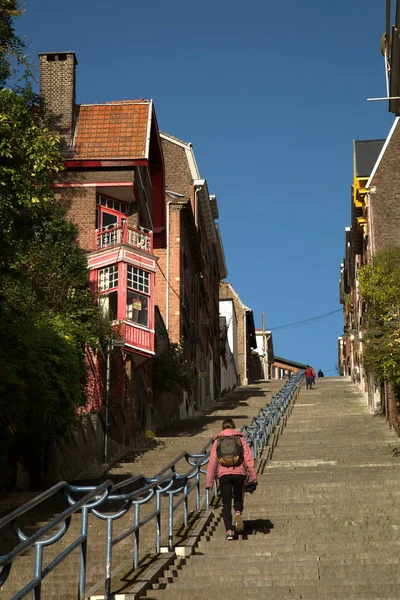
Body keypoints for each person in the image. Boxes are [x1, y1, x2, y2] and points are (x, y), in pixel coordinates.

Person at [206, 418, 257, 540]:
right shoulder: (240, 438)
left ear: (223, 428)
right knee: (238, 497)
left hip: (224, 475)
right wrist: (253, 476)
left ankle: (229, 531)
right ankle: (238, 513)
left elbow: (212, 462)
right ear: (234, 427)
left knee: (226, 503)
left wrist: (209, 482)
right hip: (239, 474)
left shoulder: (218, 441)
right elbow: (248, 459)